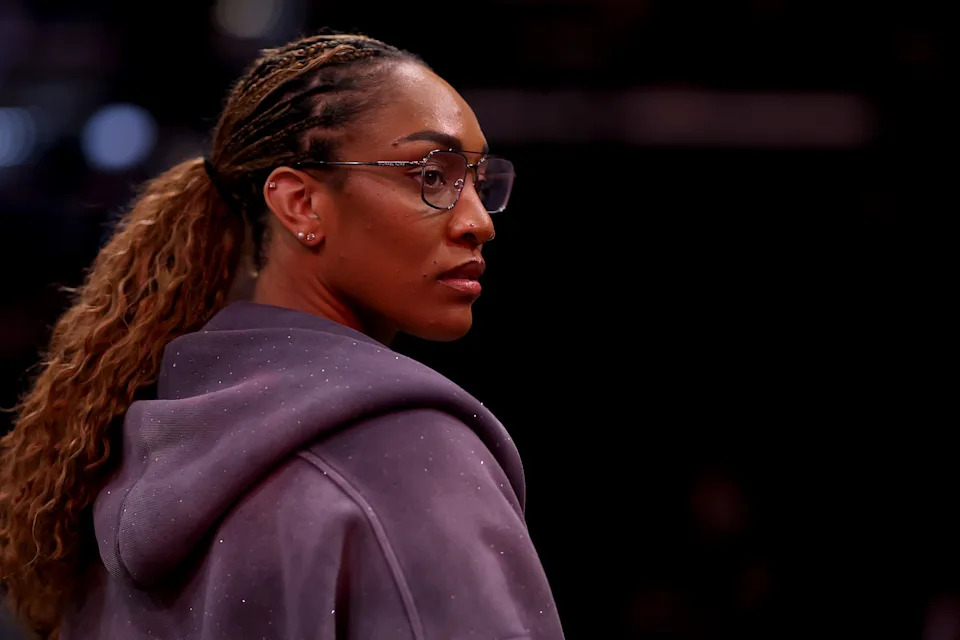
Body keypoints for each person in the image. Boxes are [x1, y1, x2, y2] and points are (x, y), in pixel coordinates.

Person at [0, 30, 564, 640]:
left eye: (479, 181)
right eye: (433, 174)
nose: (479, 221)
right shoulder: (404, 453)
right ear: (299, 203)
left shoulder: (126, 452)